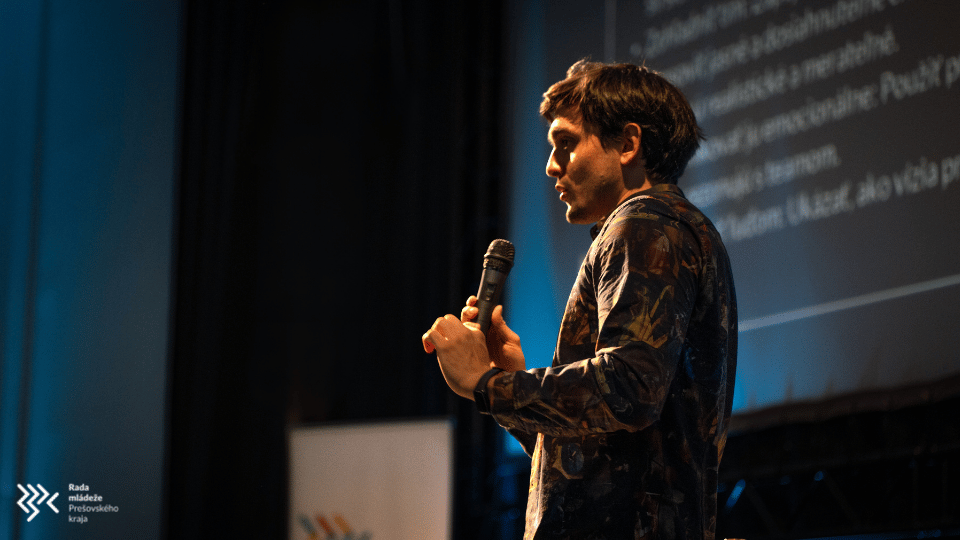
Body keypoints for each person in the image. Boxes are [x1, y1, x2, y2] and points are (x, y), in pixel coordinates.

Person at [422, 59, 737, 540]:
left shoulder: (645, 223)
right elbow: (605, 453)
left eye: (566, 143)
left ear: (628, 144)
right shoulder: (664, 226)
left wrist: (486, 384)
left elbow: (629, 388)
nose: (552, 165)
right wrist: (511, 379)